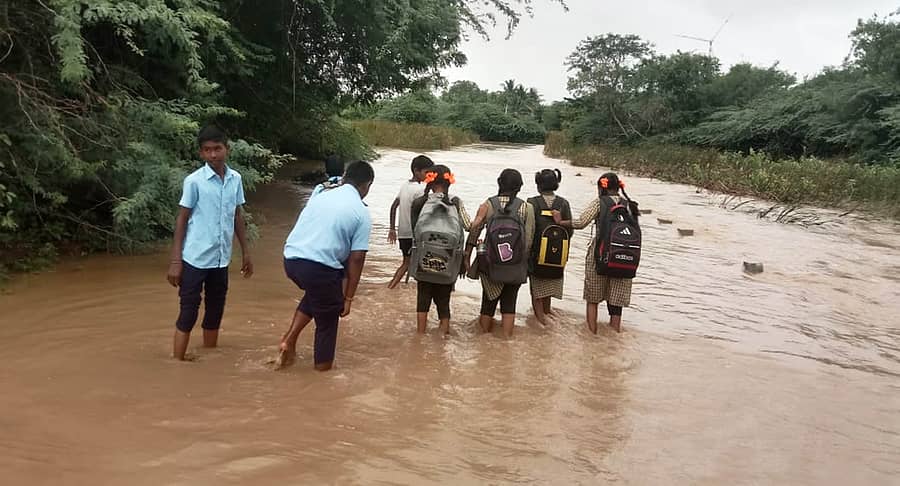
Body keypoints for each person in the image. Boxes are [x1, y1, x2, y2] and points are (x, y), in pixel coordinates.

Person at [167, 125, 253, 361]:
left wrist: (245, 252)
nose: (213, 154)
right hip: (195, 258)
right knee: (188, 312)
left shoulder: (235, 179)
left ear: (227, 149)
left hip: (221, 259)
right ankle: (177, 363)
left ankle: (210, 359)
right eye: (207, 150)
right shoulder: (194, 181)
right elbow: (182, 219)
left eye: (217, 148)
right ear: (201, 153)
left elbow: (237, 215)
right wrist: (176, 261)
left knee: (215, 310)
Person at [278, 161, 374, 371]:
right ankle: (322, 372)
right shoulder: (361, 212)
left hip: (291, 260)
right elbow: (357, 259)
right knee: (328, 319)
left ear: (345, 177)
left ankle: (289, 339)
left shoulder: (321, 193)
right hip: (317, 267)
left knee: (320, 293)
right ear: (366, 186)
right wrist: (347, 298)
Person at [553, 172, 637, 333]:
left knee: (593, 298)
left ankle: (592, 335)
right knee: (616, 301)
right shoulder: (629, 205)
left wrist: (560, 221)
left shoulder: (600, 203)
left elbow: (581, 222)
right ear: (618, 187)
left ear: (601, 187)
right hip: (624, 258)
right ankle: (614, 336)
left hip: (599, 256)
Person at [465, 169, 535, 338]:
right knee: (509, 305)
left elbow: (474, 231)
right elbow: (528, 240)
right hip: (515, 267)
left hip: (491, 266)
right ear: (519, 187)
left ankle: (483, 342)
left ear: (499, 183)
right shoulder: (527, 208)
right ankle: (506, 342)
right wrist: (520, 263)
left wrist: (467, 255)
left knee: (488, 304)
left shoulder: (488, 205)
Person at [409, 165, 472, 335]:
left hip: (423, 260)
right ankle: (443, 338)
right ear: (449, 181)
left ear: (429, 180)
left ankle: (420, 337)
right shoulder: (456, 202)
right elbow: (469, 226)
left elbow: (414, 232)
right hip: (448, 263)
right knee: (444, 302)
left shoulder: (420, 202)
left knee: (423, 301)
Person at [527, 169, 572, 325]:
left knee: (537, 291)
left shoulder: (532, 202)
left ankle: (541, 324)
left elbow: (529, 230)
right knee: (548, 289)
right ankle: (547, 315)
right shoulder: (563, 203)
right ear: (556, 184)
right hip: (558, 256)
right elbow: (570, 230)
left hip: (537, 255)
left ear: (538, 185)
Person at [388, 155, 435, 289]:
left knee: (407, 262)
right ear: (416, 171)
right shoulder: (419, 190)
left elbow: (393, 206)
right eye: (426, 172)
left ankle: (397, 286)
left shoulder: (405, 186)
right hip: (413, 233)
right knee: (408, 263)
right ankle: (391, 288)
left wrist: (392, 228)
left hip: (403, 232)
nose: (428, 175)